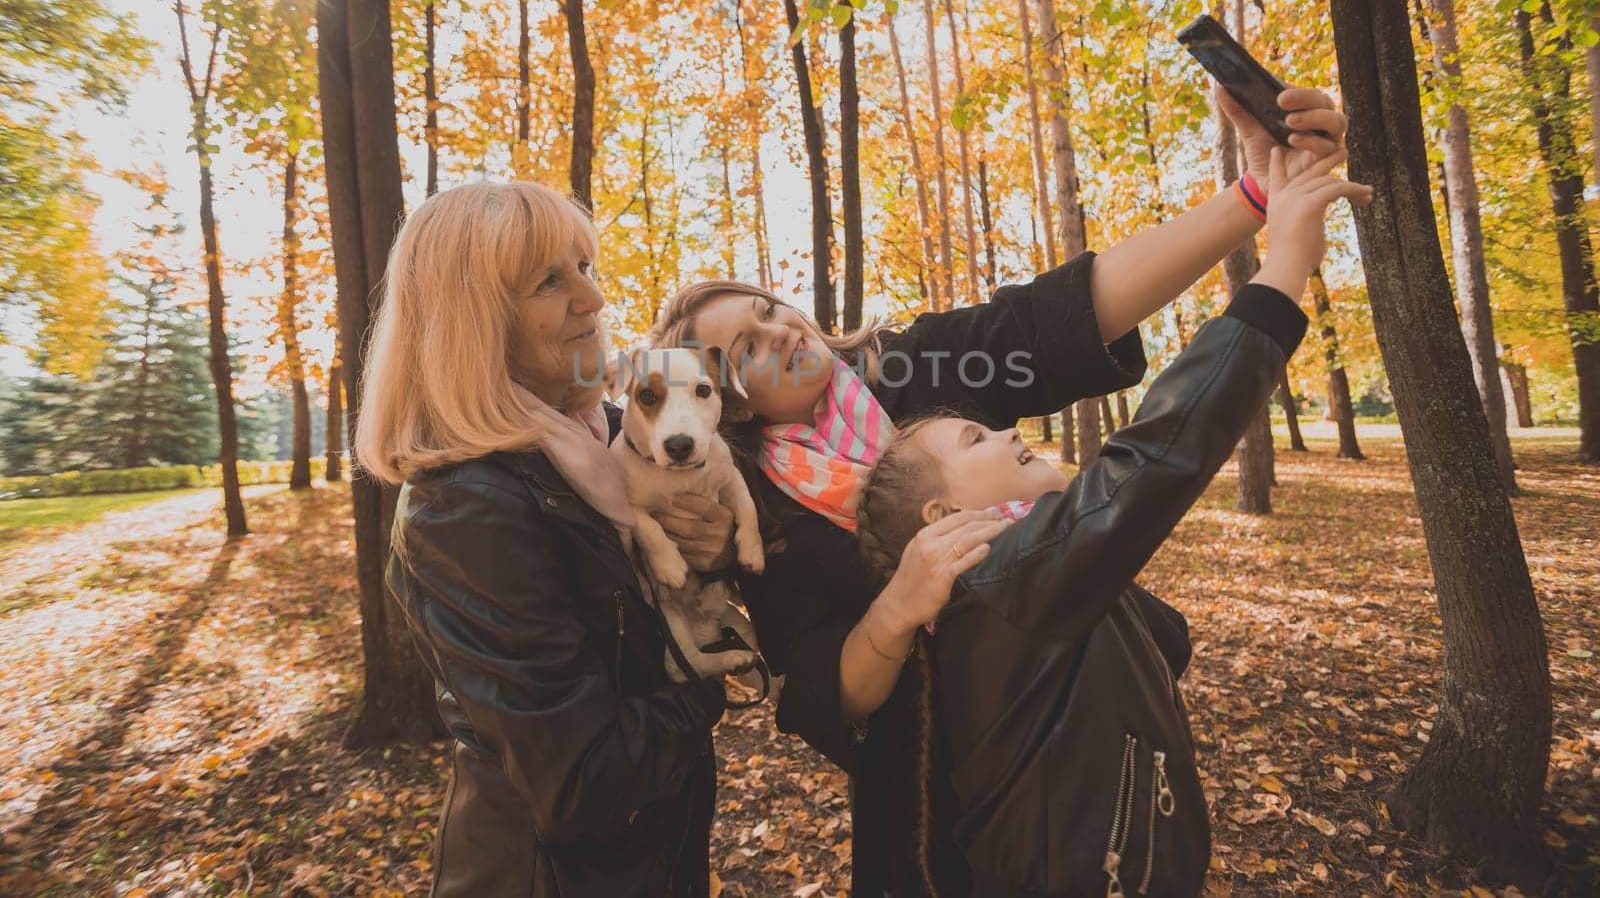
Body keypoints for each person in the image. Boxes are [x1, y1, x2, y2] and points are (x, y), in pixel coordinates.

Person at [650, 87, 1352, 895]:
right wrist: (893, 611)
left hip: (1083, 761)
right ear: (724, 402)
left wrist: (1259, 196)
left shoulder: (907, 363)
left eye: (769, 307)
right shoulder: (754, 513)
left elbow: (1058, 317)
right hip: (928, 815)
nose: (777, 328)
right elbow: (818, 692)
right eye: (744, 347)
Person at [852, 145, 1366, 896]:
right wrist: (1282, 271)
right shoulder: (1003, 578)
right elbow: (1159, 451)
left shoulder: (1008, 585)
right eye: (976, 438)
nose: (1008, 431)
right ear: (942, 516)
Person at [358, 181, 738, 898]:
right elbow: (581, 782)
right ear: (477, 323)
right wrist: (712, 677)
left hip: (654, 860)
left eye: (585, 267)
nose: (592, 299)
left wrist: (717, 553)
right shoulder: (464, 508)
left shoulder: (604, 442)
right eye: (549, 281)